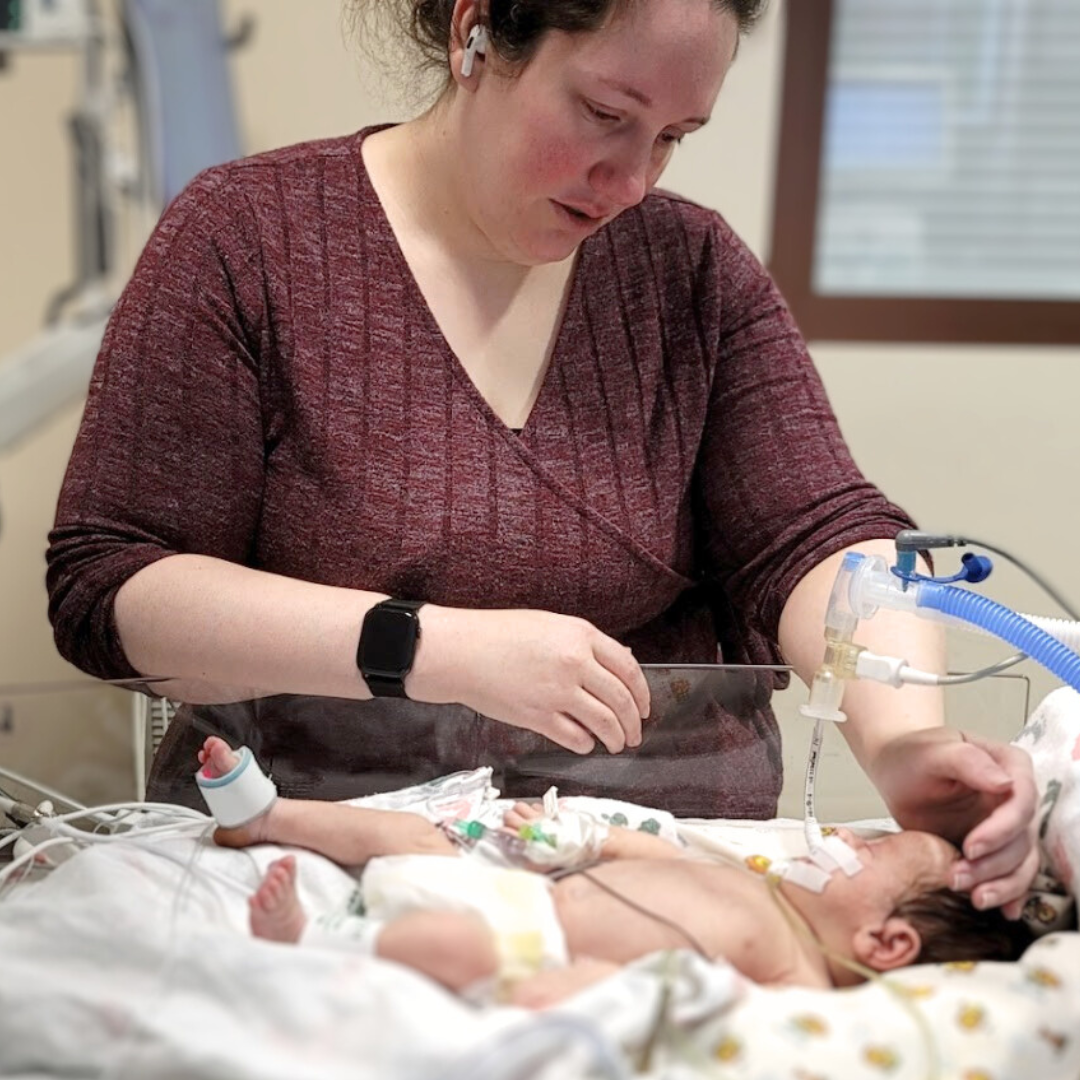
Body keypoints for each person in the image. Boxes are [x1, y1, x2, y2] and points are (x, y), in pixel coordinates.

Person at [46, 0, 1037, 916]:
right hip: (316, 876)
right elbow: (111, 586)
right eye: (606, 113)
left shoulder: (690, 272)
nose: (634, 181)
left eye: (674, 139)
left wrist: (906, 740)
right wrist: (433, 651)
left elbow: (822, 535)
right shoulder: (246, 243)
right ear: (477, 35)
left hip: (662, 880)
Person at [196, 737, 1032, 1005]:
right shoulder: (753, 880)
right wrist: (579, 844)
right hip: (523, 891)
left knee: (449, 951)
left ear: (884, 942)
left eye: (873, 850)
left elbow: (727, 1022)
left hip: (531, 945)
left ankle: (316, 942)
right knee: (411, 837)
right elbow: (648, 854)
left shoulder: (795, 972)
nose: (847, 837)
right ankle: (266, 818)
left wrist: (594, 987)